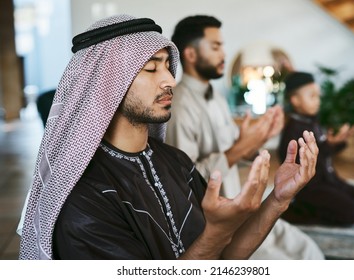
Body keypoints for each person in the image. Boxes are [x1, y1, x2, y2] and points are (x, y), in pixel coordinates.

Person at [18, 14, 318, 260]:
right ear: (107, 85)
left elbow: (225, 260)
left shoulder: (175, 161)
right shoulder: (84, 200)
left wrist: (278, 198)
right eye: (150, 68)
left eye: (166, 65)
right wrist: (215, 231)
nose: (170, 79)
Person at [165, 15, 324, 259]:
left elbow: (234, 152)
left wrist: (259, 139)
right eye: (216, 46)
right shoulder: (178, 106)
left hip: (242, 209)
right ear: (191, 54)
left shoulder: (216, 98)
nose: (224, 55)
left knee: (310, 252)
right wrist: (240, 147)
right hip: (215, 227)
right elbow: (185, 181)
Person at [278, 71, 354, 226]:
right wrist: (329, 144)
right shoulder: (293, 130)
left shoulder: (312, 121)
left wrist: (337, 142)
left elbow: (323, 151)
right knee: (352, 213)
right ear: (295, 100)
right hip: (311, 188)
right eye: (312, 96)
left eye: (318, 96)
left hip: (328, 180)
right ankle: (298, 211)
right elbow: (306, 163)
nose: (318, 101)